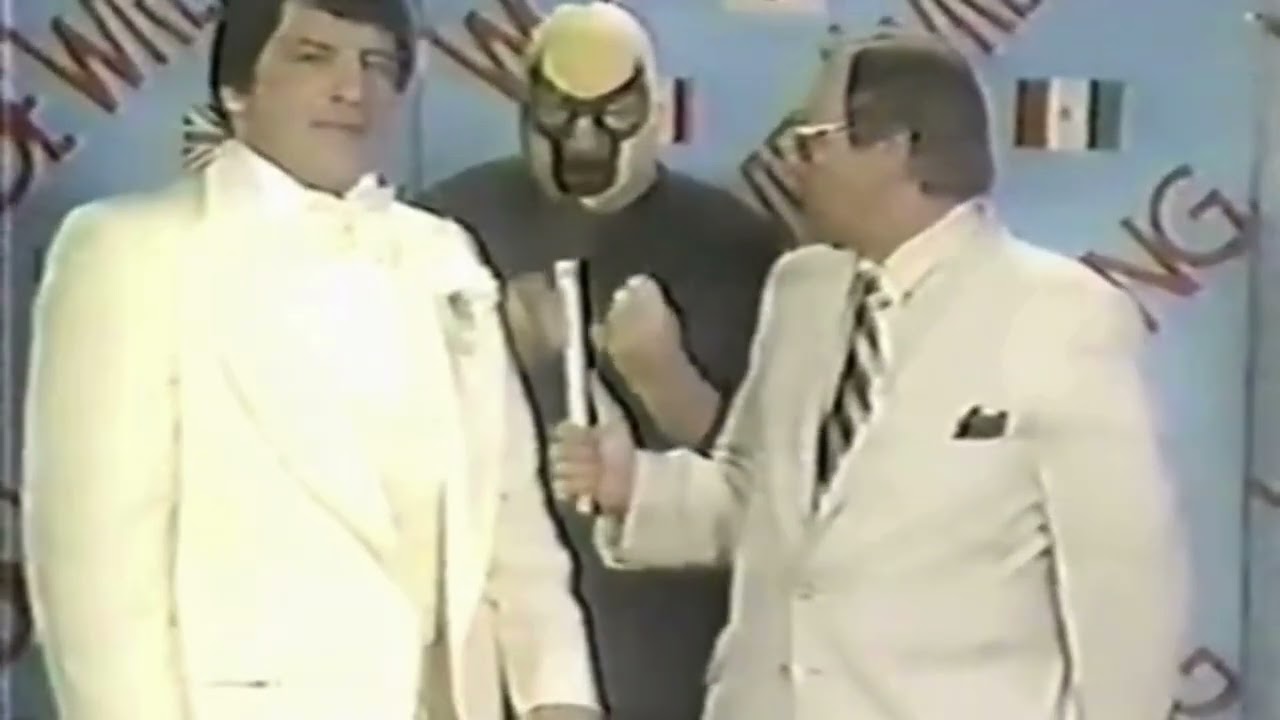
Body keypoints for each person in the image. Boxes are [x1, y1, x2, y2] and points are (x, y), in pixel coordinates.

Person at [551, 31, 1189, 720]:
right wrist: (634, 487)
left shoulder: (1061, 315)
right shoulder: (801, 290)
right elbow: (755, 500)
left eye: (812, 142)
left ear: (894, 149)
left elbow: (1125, 591)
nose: (792, 164)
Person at [21, 0, 600, 718]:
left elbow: (510, 513)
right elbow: (94, 572)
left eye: (376, 64)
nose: (352, 89)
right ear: (236, 89)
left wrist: (560, 694)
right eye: (312, 57)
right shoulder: (132, 251)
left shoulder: (440, 253)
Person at [415, 4, 781, 719]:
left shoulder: (734, 242)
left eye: (612, 115)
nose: (584, 139)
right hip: (496, 625)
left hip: (670, 631)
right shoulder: (446, 228)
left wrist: (666, 378)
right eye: (561, 113)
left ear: (653, 109)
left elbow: (766, 478)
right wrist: (492, 358)